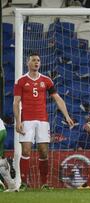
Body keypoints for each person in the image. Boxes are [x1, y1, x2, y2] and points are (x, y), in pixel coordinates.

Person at [13, 52, 75, 190]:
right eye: (34, 60)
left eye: (38, 60)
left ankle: (44, 183)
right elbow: (16, 102)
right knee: (26, 151)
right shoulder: (21, 81)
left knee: (43, 152)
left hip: (42, 121)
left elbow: (57, 98)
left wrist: (67, 116)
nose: (36, 62)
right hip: (27, 120)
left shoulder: (47, 80)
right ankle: (23, 183)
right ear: (27, 62)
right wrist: (17, 121)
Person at [0, 118, 17, 192]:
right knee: (0, 159)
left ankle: (4, 162)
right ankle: (12, 186)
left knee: (2, 162)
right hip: (2, 130)